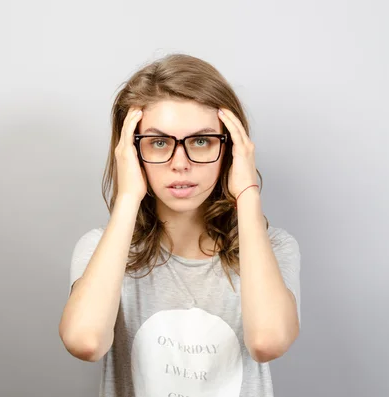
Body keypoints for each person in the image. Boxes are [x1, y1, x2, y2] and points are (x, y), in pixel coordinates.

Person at [58, 53, 302, 396]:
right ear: (130, 150)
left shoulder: (274, 249)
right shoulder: (102, 249)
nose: (180, 163)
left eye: (201, 141)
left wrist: (247, 192)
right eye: (159, 143)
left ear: (231, 149)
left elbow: (268, 342)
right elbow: (85, 342)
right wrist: (127, 197)